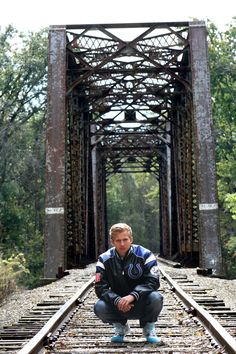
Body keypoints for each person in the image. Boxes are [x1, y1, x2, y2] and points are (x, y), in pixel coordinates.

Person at [94, 223, 163, 344]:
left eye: (125, 239)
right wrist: (117, 300)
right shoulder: (104, 259)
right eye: (118, 240)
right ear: (112, 242)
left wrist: (133, 296)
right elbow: (100, 288)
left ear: (131, 239)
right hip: (118, 304)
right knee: (99, 307)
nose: (122, 244)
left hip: (140, 301)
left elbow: (153, 281)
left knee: (156, 297)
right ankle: (120, 327)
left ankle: (148, 328)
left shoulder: (145, 255)